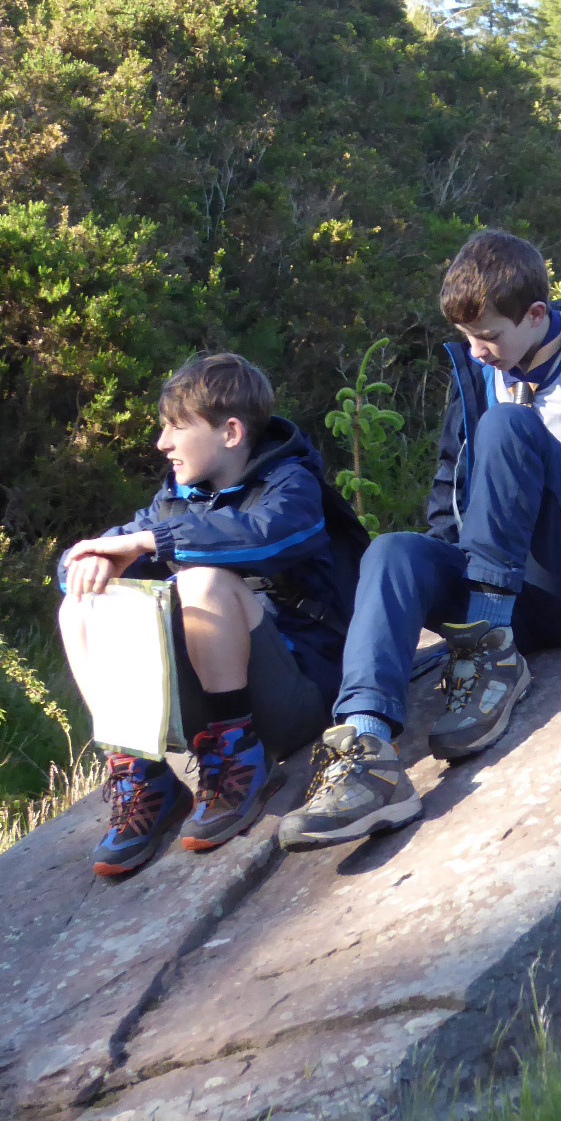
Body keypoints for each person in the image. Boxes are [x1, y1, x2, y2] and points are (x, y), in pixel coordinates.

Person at [279, 229, 561, 851]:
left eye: (488, 336)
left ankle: (490, 647)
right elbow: (449, 486)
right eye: (467, 337)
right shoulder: (476, 371)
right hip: (510, 592)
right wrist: (444, 569)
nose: (476, 351)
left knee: (509, 426)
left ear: (537, 314)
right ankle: (367, 750)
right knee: (392, 552)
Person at [58, 352, 363, 877]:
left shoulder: (291, 484)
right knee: (84, 602)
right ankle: (141, 774)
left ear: (231, 432)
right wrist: (89, 560)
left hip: (298, 696)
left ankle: (240, 759)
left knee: (203, 580)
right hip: (207, 700)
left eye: (176, 427)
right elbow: (85, 561)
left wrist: (151, 542)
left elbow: (266, 537)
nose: (162, 443)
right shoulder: (175, 501)